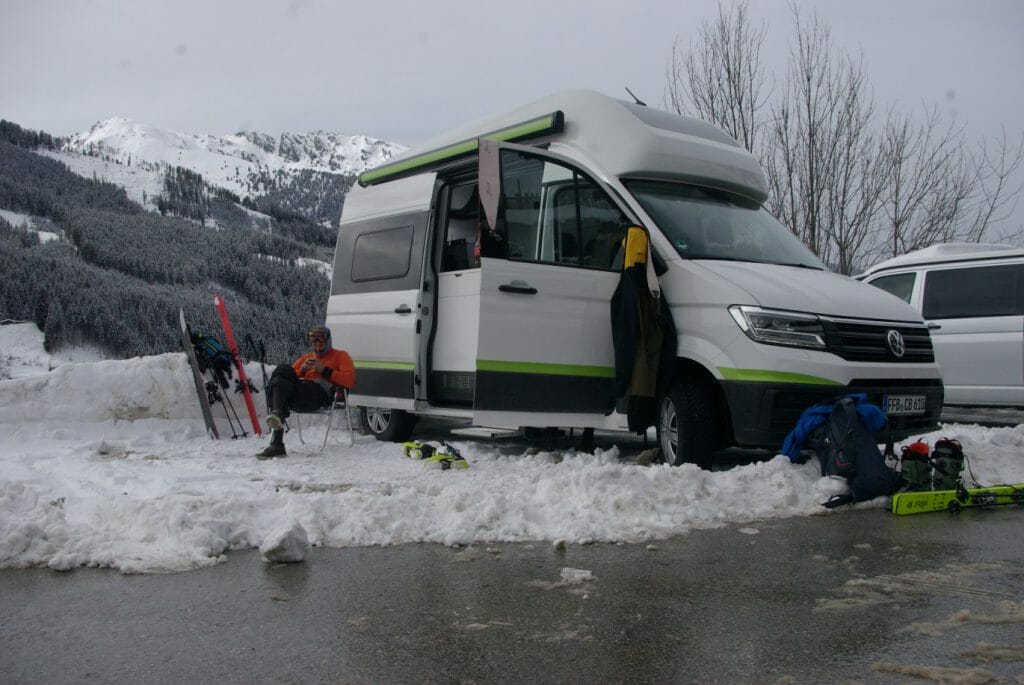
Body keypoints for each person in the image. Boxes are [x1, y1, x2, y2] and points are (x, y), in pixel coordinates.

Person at [256, 325, 355, 459]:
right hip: (301, 392)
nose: (317, 342)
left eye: (321, 338)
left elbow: (349, 380)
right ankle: (277, 423)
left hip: (321, 394)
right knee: (281, 373)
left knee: (282, 391)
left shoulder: (340, 356)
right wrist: (301, 371)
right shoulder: (307, 358)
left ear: (328, 340)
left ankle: (277, 436)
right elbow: (288, 375)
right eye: (313, 339)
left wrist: (324, 370)